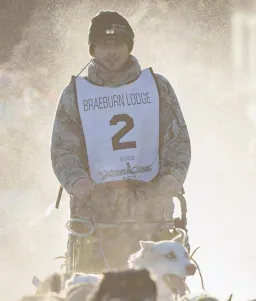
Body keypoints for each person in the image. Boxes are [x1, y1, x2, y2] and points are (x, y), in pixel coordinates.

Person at [50, 10, 191, 274]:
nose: (111, 51)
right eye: (104, 44)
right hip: (95, 210)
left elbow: (178, 140)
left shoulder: (158, 88)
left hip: (152, 208)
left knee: (162, 287)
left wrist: (173, 177)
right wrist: (77, 181)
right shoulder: (75, 95)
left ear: (129, 46)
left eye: (117, 44)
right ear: (93, 49)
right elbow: (63, 149)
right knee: (92, 290)